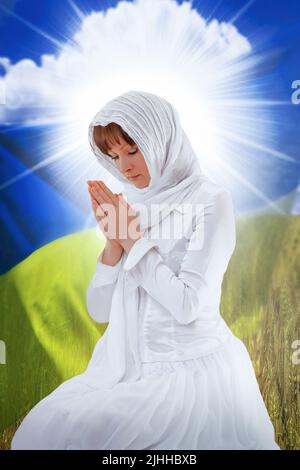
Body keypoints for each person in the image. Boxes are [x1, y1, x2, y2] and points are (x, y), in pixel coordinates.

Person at [11, 90, 280, 450]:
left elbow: (188, 306)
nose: (124, 168)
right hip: (122, 367)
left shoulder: (210, 201)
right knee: (40, 430)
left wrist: (134, 242)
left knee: (89, 435)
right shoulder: (131, 204)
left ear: (162, 139)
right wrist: (113, 244)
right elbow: (100, 311)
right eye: (114, 156)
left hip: (186, 373)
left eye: (133, 150)